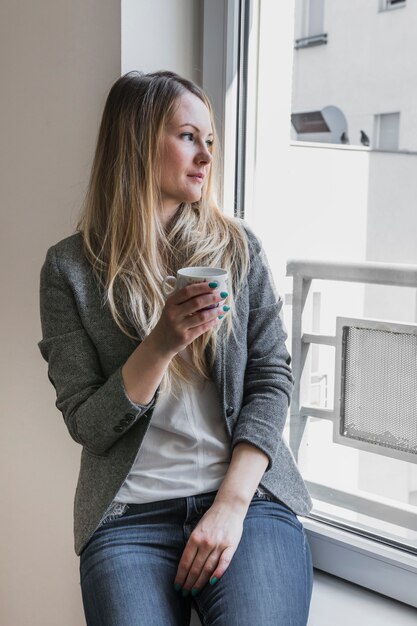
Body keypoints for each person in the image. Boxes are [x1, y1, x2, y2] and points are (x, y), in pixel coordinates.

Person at [39, 70, 313, 626]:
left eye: (209, 140)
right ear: (138, 141)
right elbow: (87, 424)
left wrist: (232, 505)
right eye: (188, 137)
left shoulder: (237, 249)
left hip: (247, 502)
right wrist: (161, 343)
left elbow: (271, 376)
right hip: (128, 518)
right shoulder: (70, 270)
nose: (206, 157)